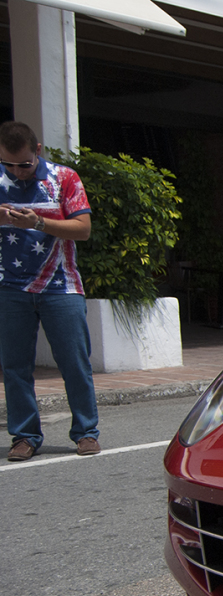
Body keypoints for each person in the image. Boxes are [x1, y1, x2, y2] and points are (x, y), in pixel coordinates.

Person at [0, 121, 98, 462]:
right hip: (9, 286)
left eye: (24, 164)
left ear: (37, 150)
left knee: (74, 362)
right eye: (8, 164)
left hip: (61, 285)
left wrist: (38, 223)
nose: (16, 171)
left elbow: (83, 229)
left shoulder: (63, 178)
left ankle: (86, 432)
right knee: (14, 366)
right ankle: (24, 436)